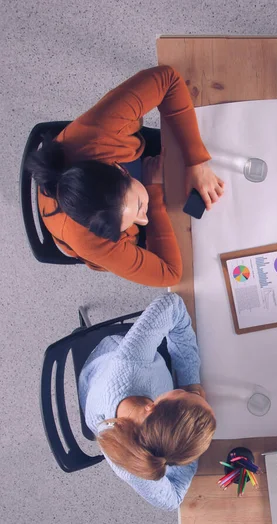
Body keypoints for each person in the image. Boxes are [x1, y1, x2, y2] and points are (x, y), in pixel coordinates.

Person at [26, 66, 225, 286]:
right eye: (135, 217)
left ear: (121, 170)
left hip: (114, 153)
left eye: (140, 206)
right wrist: (152, 196)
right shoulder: (90, 240)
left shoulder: (98, 132)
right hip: (99, 222)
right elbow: (170, 274)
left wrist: (196, 163)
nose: (145, 219)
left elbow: (167, 79)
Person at [78, 293, 216, 510]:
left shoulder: (130, 362)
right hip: (99, 381)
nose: (199, 394)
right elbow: (174, 498)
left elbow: (172, 304)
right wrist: (183, 450)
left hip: (107, 366)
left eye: (190, 396)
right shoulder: (142, 457)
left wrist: (190, 382)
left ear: (152, 406)